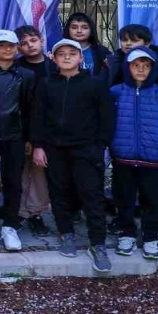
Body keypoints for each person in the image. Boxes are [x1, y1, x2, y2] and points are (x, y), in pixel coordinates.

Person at [31, 38, 115, 273]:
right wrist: (38, 145)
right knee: (59, 193)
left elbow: (106, 117)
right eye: (61, 54)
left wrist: (101, 145)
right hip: (54, 148)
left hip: (87, 148)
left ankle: (97, 243)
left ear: (80, 58)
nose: (66, 57)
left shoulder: (96, 84)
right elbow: (37, 117)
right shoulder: (46, 84)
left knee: (92, 195)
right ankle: (66, 233)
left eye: (72, 53)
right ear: (54, 59)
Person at [109, 49, 158, 260]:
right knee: (123, 198)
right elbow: (107, 123)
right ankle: (126, 233)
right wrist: (112, 147)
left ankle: (151, 237)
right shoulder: (116, 92)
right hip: (123, 158)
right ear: (127, 67)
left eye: (146, 65)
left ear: (153, 68)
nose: (141, 69)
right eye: (136, 65)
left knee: (153, 199)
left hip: (153, 160)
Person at [0, 29, 35, 253]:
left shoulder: (26, 75)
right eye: (1, 46)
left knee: (13, 182)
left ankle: (10, 226)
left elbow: (31, 109)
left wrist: (31, 138)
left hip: (15, 135)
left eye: (12, 45)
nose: (7, 49)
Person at [14, 25, 53, 238]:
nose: (30, 46)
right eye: (24, 43)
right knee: (20, 172)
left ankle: (36, 213)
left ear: (41, 40)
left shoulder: (53, 66)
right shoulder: (17, 68)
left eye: (33, 40)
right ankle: (19, 212)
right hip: (20, 128)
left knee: (40, 174)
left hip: (47, 130)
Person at [107, 24, 158, 88]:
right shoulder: (113, 62)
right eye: (124, 40)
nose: (128, 43)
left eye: (134, 41)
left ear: (147, 44)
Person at [64, 12, 111, 81]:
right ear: (68, 30)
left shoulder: (101, 51)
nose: (79, 31)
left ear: (91, 30)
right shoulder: (60, 51)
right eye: (74, 27)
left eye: (84, 27)